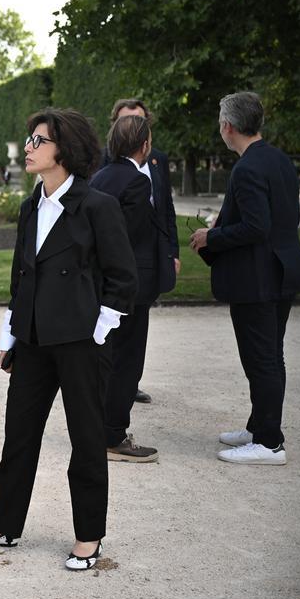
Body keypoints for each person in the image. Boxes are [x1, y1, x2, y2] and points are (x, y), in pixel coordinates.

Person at [0, 108, 137, 571]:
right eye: (30, 139)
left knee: (87, 439)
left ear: (65, 150)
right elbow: (23, 276)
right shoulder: (31, 204)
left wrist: (97, 332)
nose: (29, 148)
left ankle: (88, 536)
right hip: (33, 341)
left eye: (38, 141)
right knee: (18, 435)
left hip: (81, 344)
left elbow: (122, 278)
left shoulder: (97, 206)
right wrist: (11, 336)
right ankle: (4, 525)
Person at [191, 91, 300, 465]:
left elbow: (256, 227)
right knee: (270, 356)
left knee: (262, 359)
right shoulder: (279, 160)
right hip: (281, 271)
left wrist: (212, 236)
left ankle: (269, 442)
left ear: (228, 127)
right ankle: (260, 426)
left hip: (259, 279)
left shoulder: (248, 167)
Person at [91, 115, 176, 463]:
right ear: (145, 145)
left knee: (106, 359)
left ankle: (99, 429)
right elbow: (132, 238)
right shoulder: (137, 184)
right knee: (128, 362)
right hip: (129, 285)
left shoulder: (99, 177)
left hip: (100, 281)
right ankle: (112, 434)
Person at [99, 98, 179, 404]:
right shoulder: (115, 171)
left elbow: (165, 209)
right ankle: (115, 405)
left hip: (130, 264)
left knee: (129, 336)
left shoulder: (155, 162)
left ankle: (122, 388)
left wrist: (171, 250)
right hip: (129, 270)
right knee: (125, 337)